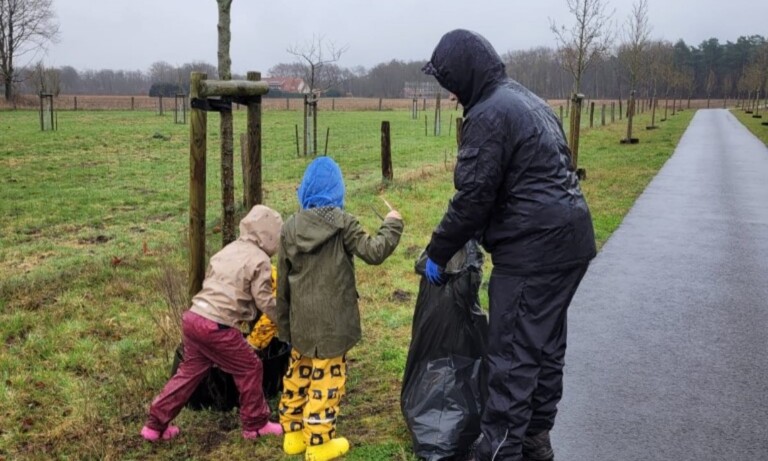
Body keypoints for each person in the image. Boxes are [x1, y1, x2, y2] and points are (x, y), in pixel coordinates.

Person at [421, 29, 596, 461]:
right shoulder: (528, 100)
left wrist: (437, 252)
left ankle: (499, 449)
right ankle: (536, 440)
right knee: (544, 346)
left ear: (465, 74)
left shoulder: (488, 114)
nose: (451, 96)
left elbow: (473, 198)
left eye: (450, 85)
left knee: (514, 356)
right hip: (571, 244)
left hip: (533, 253)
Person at [275, 156, 404, 461]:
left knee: (297, 373)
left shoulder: (290, 227)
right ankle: (319, 443)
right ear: (338, 190)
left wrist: (285, 327)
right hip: (334, 325)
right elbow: (374, 252)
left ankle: (292, 434)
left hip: (301, 323)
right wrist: (393, 224)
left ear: (305, 189)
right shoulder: (344, 223)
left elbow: (282, 284)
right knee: (327, 382)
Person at [141, 204, 285, 442]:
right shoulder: (260, 260)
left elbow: (213, 280)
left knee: (188, 373)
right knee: (250, 366)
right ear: (271, 236)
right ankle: (256, 424)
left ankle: (154, 425)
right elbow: (264, 300)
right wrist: (285, 318)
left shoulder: (229, 250)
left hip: (194, 317)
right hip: (217, 326)